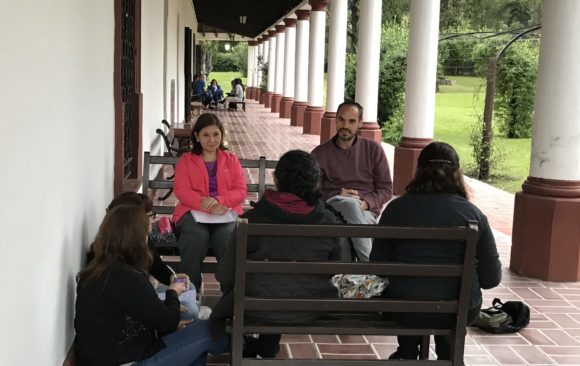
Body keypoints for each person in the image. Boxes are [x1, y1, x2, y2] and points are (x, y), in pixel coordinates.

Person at [211, 150, 352, 358]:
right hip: (311, 309)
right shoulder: (329, 222)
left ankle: (251, 343)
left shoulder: (252, 220)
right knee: (286, 284)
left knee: (271, 285)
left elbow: (225, 274)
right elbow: (342, 271)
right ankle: (266, 346)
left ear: (276, 179)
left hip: (256, 306)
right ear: (315, 183)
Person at [370, 141, 502, 360]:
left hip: (402, 308)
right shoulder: (473, 216)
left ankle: (408, 351)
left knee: (411, 295)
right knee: (453, 296)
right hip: (455, 311)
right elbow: (491, 278)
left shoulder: (396, 209)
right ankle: (448, 355)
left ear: (419, 171)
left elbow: (378, 265)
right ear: (457, 174)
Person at [74, 205, 228, 366]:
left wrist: (173, 325)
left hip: (116, 354)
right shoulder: (126, 276)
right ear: (136, 238)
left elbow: (143, 315)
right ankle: (244, 345)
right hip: (129, 361)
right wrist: (173, 292)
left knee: (196, 340)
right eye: (146, 234)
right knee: (208, 331)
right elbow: (168, 322)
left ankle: (240, 343)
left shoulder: (100, 269)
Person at [86, 192, 200, 320]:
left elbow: (157, 265)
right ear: (131, 221)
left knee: (189, 287)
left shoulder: (135, 240)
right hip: (128, 315)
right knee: (190, 310)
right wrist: (170, 298)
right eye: (149, 216)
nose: (152, 220)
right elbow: (130, 304)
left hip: (137, 302)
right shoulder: (117, 263)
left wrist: (172, 277)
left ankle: (194, 316)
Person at [173, 113, 247, 290]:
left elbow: (241, 190)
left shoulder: (231, 160)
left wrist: (218, 201)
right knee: (195, 237)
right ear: (197, 136)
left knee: (226, 238)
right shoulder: (186, 160)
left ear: (222, 135)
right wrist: (208, 206)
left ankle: (231, 292)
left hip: (225, 212)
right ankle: (188, 293)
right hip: (192, 211)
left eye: (216, 134)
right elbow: (182, 191)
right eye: (206, 135)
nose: (211, 140)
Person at [311, 101, 393, 261]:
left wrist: (365, 203)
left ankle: (360, 271)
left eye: (351, 121)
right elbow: (311, 191)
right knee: (348, 205)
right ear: (335, 120)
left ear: (360, 123)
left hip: (366, 212)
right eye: (341, 120)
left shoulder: (373, 150)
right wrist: (337, 194)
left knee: (353, 213)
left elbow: (386, 189)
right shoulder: (320, 153)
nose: (345, 125)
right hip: (332, 210)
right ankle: (369, 266)